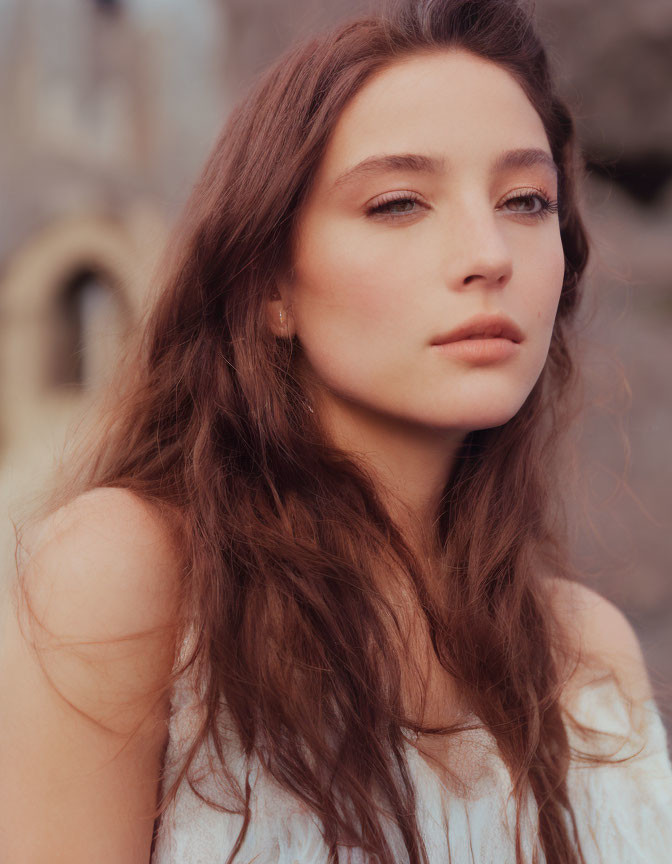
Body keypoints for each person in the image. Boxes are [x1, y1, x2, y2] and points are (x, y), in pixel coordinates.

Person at [1, 0, 671, 861]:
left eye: (526, 200)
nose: (489, 252)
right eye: (398, 203)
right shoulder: (131, 579)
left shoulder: (585, 652)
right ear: (270, 283)